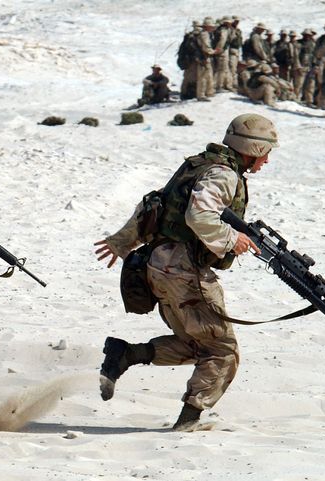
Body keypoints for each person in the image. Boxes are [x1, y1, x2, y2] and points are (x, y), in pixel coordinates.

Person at [94, 113, 279, 432]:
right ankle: (189, 420)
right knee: (222, 350)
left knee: (198, 344)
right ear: (252, 148)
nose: (266, 161)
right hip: (182, 270)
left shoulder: (199, 164)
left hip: (159, 265)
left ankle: (126, 354)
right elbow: (198, 216)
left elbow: (156, 206)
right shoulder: (222, 174)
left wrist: (123, 241)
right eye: (266, 153)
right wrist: (233, 239)